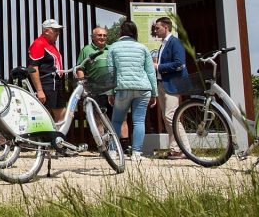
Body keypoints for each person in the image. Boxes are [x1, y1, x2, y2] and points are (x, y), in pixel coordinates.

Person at [106, 20, 158, 161]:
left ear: (120, 32)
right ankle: (136, 154)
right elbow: (150, 72)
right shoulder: (142, 48)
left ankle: (113, 151)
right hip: (143, 88)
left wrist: (110, 92)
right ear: (135, 32)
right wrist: (154, 93)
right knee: (139, 121)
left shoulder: (113, 47)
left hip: (123, 88)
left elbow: (111, 72)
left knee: (116, 121)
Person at [75, 26, 126, 156]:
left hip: (114, 90)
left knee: (121, 118)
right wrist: (83, 84)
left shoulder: (111, 49)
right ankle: (103, 148)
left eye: (104, 35)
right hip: (95, 91)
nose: (102, 37)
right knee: (99, 119)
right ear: (93, 37)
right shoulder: (87, 50)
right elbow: (80, 68)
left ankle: (124, 148)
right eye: (99, 35)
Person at [153, 17, 189, 160]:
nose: (155, 31)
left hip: (172, 84)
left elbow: (180, 64)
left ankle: (184, 149)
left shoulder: (175, 42)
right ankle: (175, 149)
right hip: (162, 83)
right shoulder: (163, 44)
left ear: (166, 27)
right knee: (167, 116)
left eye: (157, 28)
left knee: (171, 116)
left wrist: (158, 66)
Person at [27, 19, 67, 122]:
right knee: (45, 116)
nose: (58, 33)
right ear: (46, 31)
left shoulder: (51, 44)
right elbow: (32, 68)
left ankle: (59, 136)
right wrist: (39, 91)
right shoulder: (39, 43)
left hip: (55, 83)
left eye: (59, 31)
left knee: (62, 114)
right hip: (46, 84)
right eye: (55, 30)